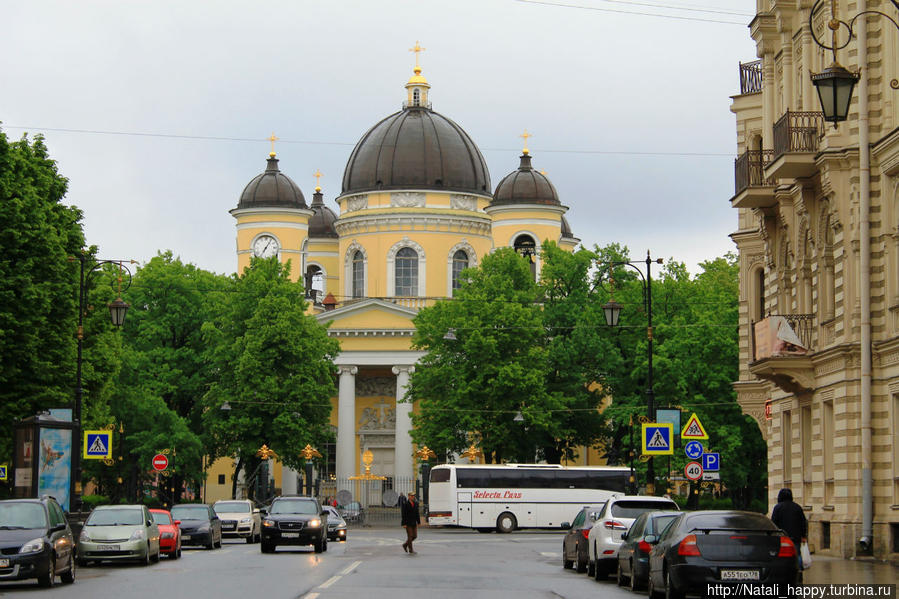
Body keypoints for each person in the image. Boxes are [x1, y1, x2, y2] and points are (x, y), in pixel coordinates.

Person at [771, 488, 807, 569]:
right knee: (797, 554)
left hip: (782, 536)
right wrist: (804, 536)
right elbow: (803, 522)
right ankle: (799, 570)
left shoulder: (778, 508)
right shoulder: (797, 507)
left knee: (782, 554)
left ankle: (784, 569)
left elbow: (773, 522)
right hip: (795, 536)